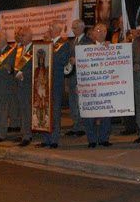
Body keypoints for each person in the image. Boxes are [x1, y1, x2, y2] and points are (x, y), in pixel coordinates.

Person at [38, 21, 71, 149]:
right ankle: (45, 138)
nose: (49, 30)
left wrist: (49, 52)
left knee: (55, 111)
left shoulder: (64, 44)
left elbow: (62, 60)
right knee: (44, 110)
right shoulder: (46, 44)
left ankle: (54, 139)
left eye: (50, 28)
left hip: (55, 81)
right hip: (43, 82)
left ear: (56, 30)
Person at [83, 23, 114, 148]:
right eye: (98, 30)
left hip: (106, 86)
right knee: (90, 114)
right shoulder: (85, 48)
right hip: (90, 86)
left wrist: (111, 49)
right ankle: (91, 139)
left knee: (106, 113)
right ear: (93, 33)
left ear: (106, 33)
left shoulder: (111, 47)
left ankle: (103, 138)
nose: (101, 32)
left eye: (104, 30)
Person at [64, 19, 90, 137]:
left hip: (82, 76)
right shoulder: (72, 41)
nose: (73, 30)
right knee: (73, 102)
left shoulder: (87, 41)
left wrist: (77, 60)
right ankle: (76, 125)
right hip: (72, 76)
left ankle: (82, 126)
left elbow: (89, 58)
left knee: (80, 102)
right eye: (72, 27)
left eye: (74, 27)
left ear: (81, 28)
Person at [13, 26, 35, 146]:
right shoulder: (19, 49)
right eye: (20, 35)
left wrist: (24, 74)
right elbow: (15, 65)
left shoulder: (35, 49)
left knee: (27, 110)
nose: (20, 38)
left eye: (23, 35)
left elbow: (38, 67)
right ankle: (24, 132)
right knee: (22, 110)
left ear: (29, 36)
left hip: (28, 83)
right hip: (19, 84)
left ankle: (27, 135)